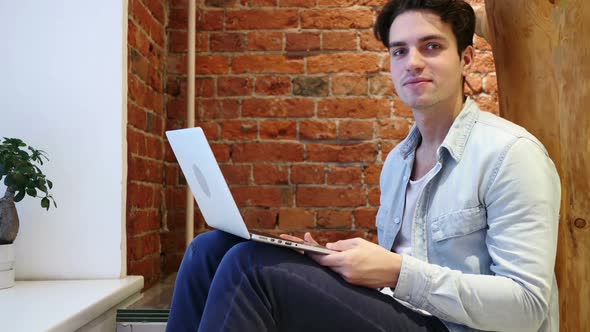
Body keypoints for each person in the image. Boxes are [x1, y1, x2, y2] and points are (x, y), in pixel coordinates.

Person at [166, 0, 561, 331]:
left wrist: (395, 271)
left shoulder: (511, 154)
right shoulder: (397, 163)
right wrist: (328, 264)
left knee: (250, 267)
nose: (414, 62)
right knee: (210, 249)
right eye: (400, 51)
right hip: (407, 314)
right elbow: (395, 278)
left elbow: (528, 307)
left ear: (466, 59)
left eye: (432, 47)